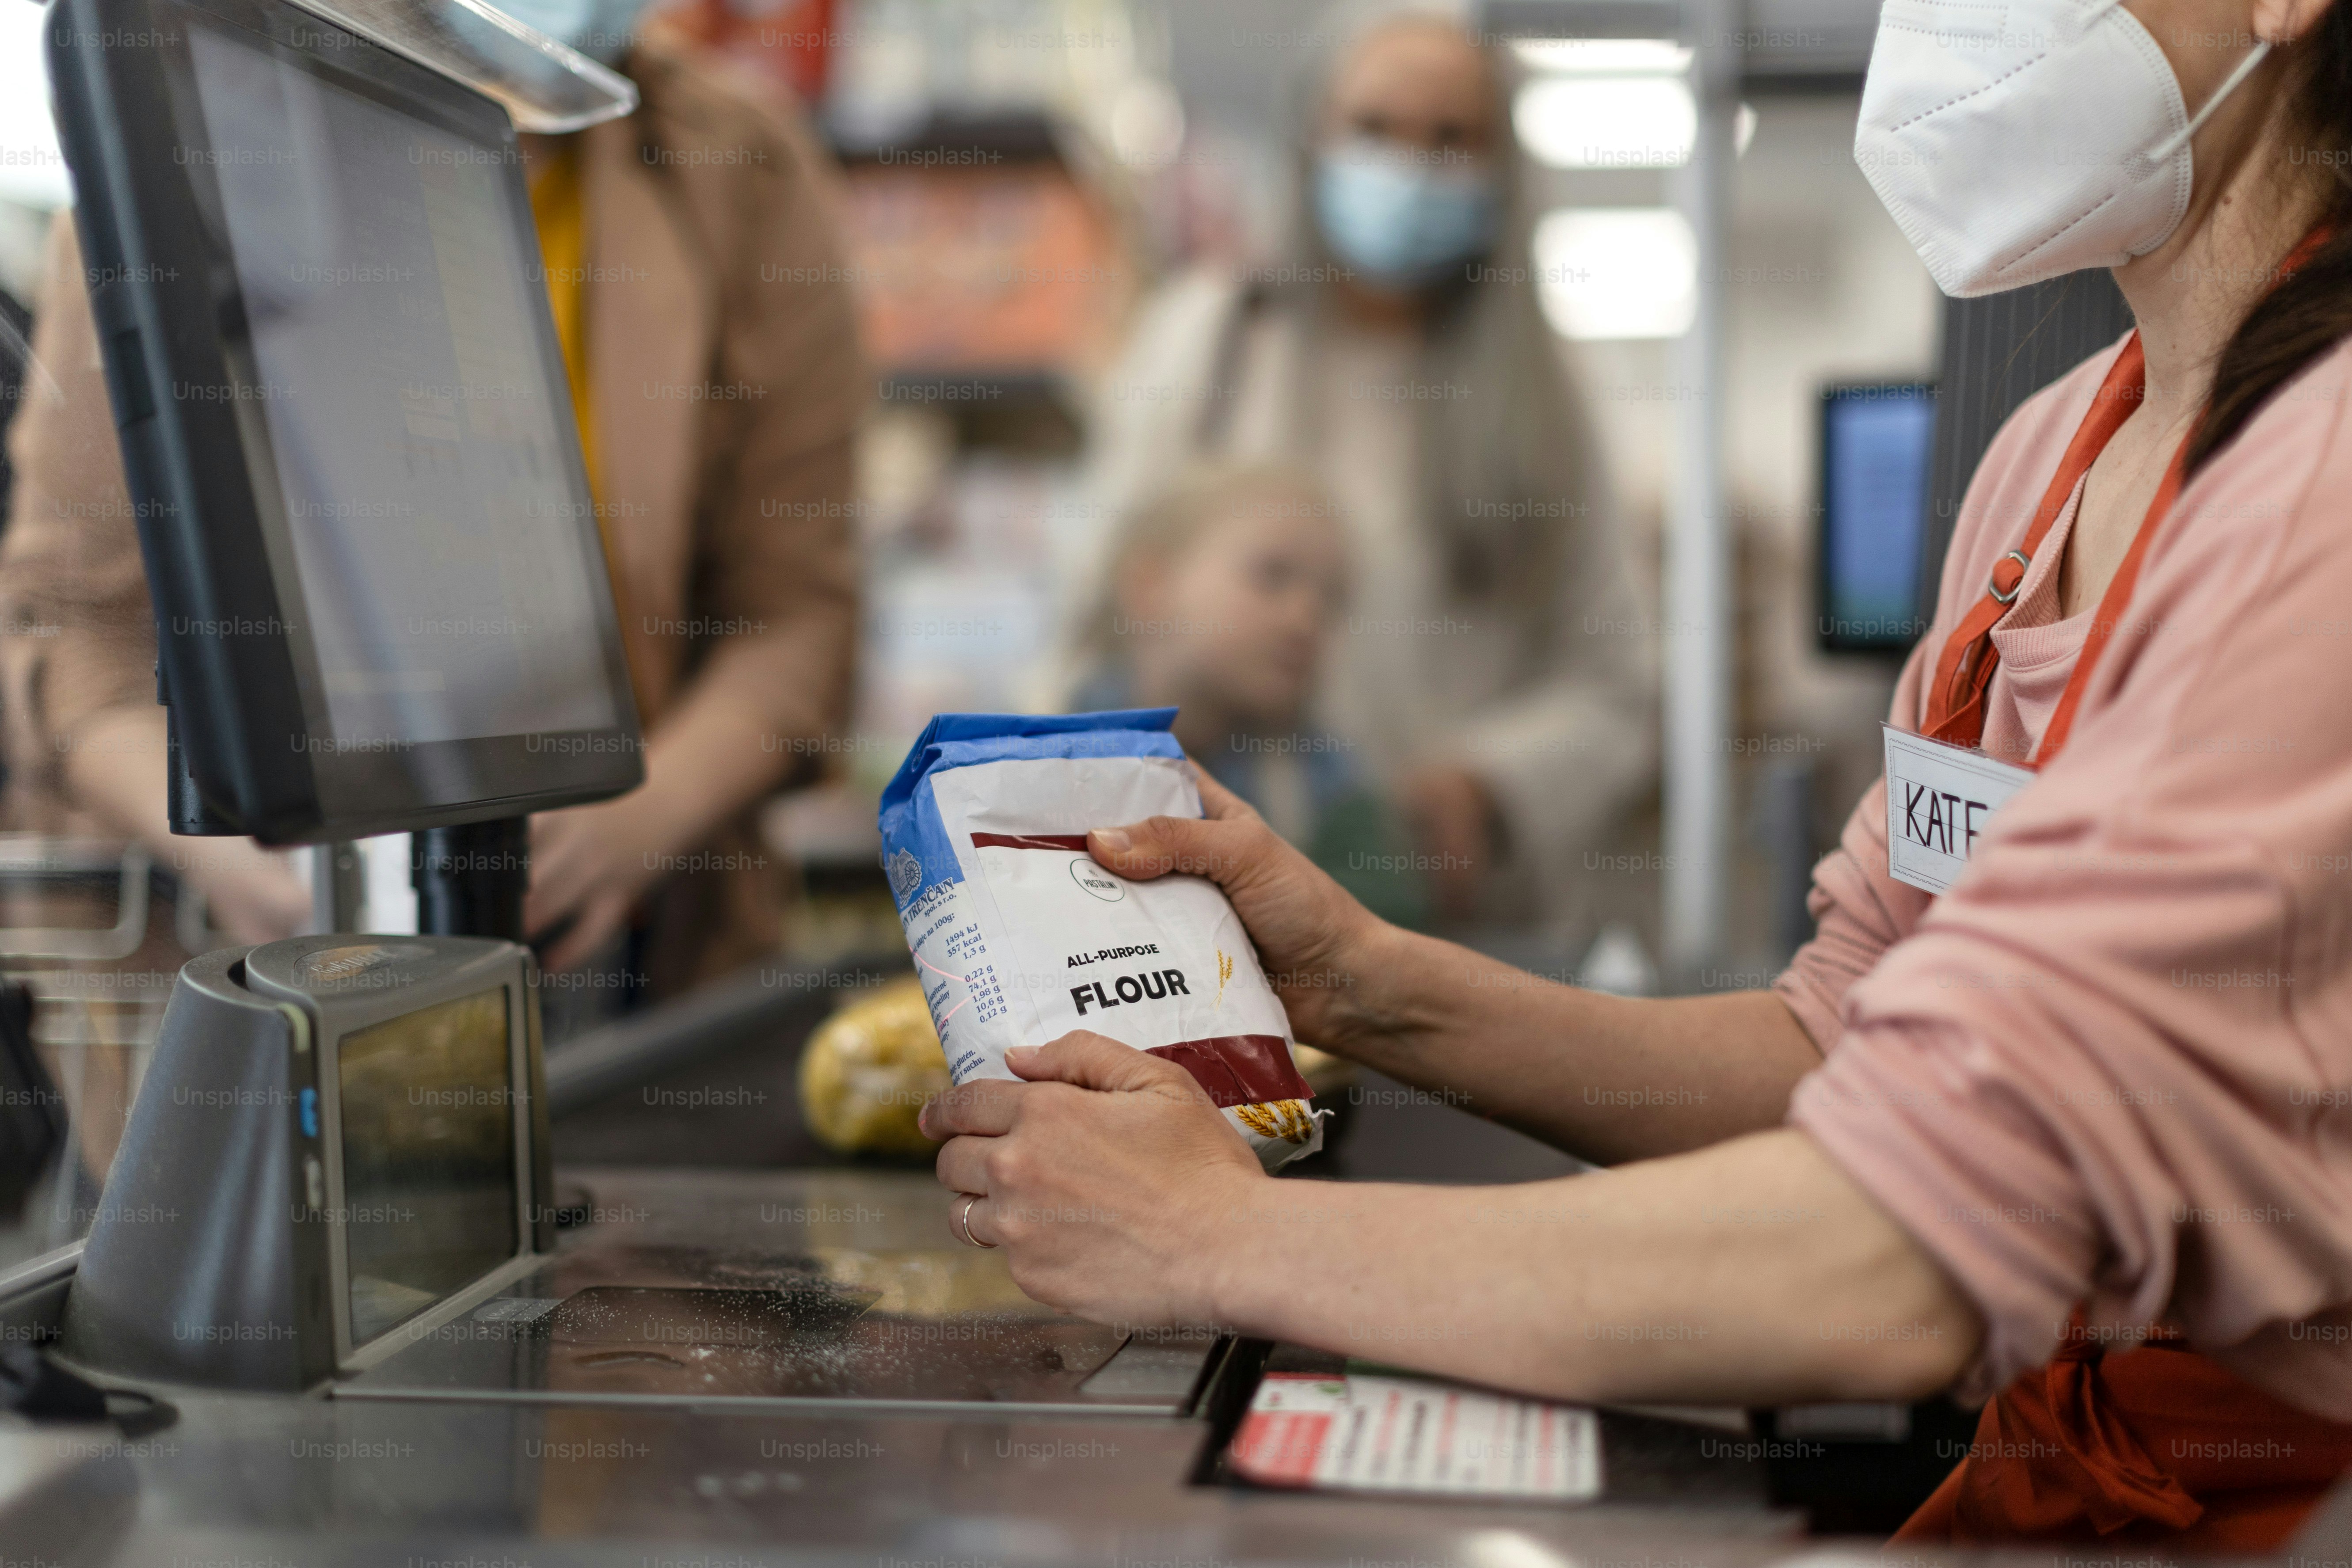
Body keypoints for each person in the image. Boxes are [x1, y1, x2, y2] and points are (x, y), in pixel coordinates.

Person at [920, 0, 2352, 1545]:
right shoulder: (2051, 449)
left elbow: (1895, 1246)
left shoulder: (2319, 480)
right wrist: (1360, 978)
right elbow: (1844, 1045)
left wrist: (1215, 1233)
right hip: (2046, 1472)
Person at [0, 3, 864, 995]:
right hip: (227, 959)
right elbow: (65, 629)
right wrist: (243, 853)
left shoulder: (740, 164)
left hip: (624, 958)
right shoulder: (191, 111)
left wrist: (640, 815)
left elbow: (797, 614)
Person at [1073, 0, 1654, 932]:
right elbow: (1095, 603)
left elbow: (1617, 684)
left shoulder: (1551, 398)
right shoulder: (1211, 341)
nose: (1410, 167)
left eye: (1451, 138)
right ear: (1312, 140)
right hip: (1203, 919)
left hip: (1455, 932)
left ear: (1499, 171)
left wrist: (1489, 785)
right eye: (1375, 128)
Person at [1070, 461, 1429, 929]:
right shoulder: (1044, 752)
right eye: (1273, 576)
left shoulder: (1329, 786)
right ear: (1150, 585)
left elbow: (1385, 936)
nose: (1307, 617)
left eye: (1333, 598)